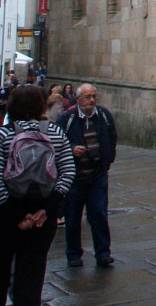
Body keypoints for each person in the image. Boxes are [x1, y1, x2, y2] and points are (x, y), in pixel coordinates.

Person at [0, 84, 75, 306]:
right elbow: (68, 172)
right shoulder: (55, 132)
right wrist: (47, 210)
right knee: (31, 283)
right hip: (41, 217)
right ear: (41, 106)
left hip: (2, 217)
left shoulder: (2, 134)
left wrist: (17, 215)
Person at [56, 83, 117, 267]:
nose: (91, 100)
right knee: (73, 217)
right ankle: (74, 255)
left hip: (97, 175)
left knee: (99, 213)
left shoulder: (104, 115)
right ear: (78, 99)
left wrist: (107, 160)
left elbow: (112, 138)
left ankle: (103, 253)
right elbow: (56, 143)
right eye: (87, 97)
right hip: (74, 177)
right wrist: (71, 149)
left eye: (94, 96)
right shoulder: (66, 119)